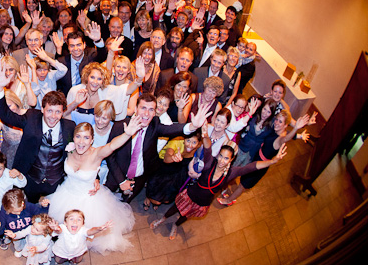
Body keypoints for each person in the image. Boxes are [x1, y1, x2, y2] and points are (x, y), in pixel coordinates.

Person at [150, 121, 291, 240]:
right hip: (190, 194)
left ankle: (175, 225)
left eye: (226, 158)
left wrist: (272, 161)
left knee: (185, 215)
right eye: (221, 156)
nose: (222, 160)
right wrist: (205, 134)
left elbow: (252, 167)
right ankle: (162, 219)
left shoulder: (231, 173)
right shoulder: (209, 162)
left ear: (231, 160)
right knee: (175, 208)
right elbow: (207, 147)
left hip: (202, 203)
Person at [46, 118, 145, 254]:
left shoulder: (97, 154)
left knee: (87, 231)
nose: (81, 142)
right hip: (66, 193)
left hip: (88, 199)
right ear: (73, 138)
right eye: (78, 137)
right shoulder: (69, 149)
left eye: (86, 138)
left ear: (92, 140)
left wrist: (127, 134)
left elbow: (111, 146)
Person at [0, 61, 75, 203]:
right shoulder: (31, 117)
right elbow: (6, 115)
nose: (53, 116)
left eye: (58, 112)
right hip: (30, 178)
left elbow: (82, 151)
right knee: (30, 205)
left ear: (63, 112)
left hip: (55, 181)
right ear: (42, 109)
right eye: (49, 111)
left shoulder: (70, 127)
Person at [104, 93, 211, 203]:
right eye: (143, 108)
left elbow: (171, 129)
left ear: (155, 112)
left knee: (125, 204)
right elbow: (110, 156)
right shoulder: (120, 126)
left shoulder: (154, 126)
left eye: (151, 110)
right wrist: (121, 181)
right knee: (105, 202)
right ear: (136, 108)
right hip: (116, 176)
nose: (146, 113)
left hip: (138, 179)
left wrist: (193, 126)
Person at [219, 111, 312, 206]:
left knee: (243, 185)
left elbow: (286, 138)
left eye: (280, 122)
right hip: (256, 157)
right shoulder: (277, 130)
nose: (276, 122)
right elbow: (288, 131)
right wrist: (300, 135)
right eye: (276, 120)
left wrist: (296, 128)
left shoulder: (280, 138)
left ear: (286, 125)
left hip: (260, 166)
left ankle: (228, 200)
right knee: (242, 176)